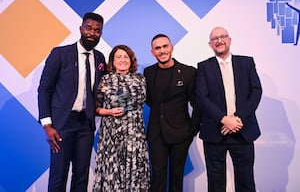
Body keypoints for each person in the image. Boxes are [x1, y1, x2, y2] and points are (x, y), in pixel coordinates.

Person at [38, 12, 107, 192]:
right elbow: (45, 90)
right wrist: (47, 125)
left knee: (81, 176)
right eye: (89, 28)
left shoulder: (100, 58)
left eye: (97, 30)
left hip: (86, 125)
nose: (92, 33)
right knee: (59, 175)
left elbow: (104, 90)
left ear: (101, 34)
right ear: (81, 29)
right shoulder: (60, 54)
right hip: (62, 124)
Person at [195, 26, 262, 192]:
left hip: (243, 130)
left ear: (229, 40)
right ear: (210, 44)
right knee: (216, 183)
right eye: (214, 39)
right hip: (215, 132)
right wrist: (224, 120)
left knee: (246, 181)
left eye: (223, 36)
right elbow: (202, 98)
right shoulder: (203, 67)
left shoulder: (246, 62)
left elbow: (256, 91)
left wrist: (237, 119)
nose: (219, 41)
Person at [144, 34, 200, 192]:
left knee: (177, 177)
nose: (162, 51)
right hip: (156, 134)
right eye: (157, 48)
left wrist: (192, 130)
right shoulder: (148, 72)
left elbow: (197, 104)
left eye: (165, 46)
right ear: (152, 52)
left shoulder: (189, 72)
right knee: (157, 177)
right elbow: (150, 100)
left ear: (171, 47)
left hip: (180, 134)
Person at [92, 45, 150, 191]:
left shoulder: (140, 79)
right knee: (113, 170)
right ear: (112, 60)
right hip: (111, 134)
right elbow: (95, 108)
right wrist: (109, 111)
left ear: (131, 60)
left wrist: (127, 106)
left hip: (134, 133)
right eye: (119, 57)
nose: (122, 60)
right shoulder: (105, 79)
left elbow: (139, 102)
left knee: (135, 170)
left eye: (126, 57)